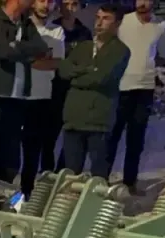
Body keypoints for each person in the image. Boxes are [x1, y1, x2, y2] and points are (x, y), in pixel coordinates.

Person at [0, 0, 49, 183]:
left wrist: (17, 46)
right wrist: (26, 53)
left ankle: (4, 187)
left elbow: (42, 48)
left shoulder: (26, 24)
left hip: (18, 96)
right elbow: (2, 51)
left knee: (10, 149)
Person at [106, 0, 165, 193]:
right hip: (121, 86)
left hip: (144, 88)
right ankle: (101, 178)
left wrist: (147, 66)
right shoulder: (124, 21)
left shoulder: (161, 26)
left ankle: (129, 181)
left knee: (136, 139)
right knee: (112, 136)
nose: (141, 3)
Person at [59, 4, 129, 178]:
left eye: (106, 18)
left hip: (99, 120)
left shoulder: (120, 50)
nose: (99, 22)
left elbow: (102, 78)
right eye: (98, 17)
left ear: (117, 23)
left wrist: (77, 76)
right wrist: (88, 69)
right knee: (69, 174)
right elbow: (64, 70)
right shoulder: (83, 46)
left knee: (98, 174)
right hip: (74, 117)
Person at [19, 0, 65, 197]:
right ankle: (22, 192)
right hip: (21, 96)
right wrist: (39, 59)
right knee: (24, 150)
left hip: (46, 96)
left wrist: (29, 60)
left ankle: (42, 193)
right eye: (41, 0)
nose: (46, 5)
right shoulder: (21, 28)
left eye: (50, 1)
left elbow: (57, 62)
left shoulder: (57, 31)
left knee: (44, 148)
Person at [51, 0, 90, 168]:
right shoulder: (52, 28)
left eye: (74, 4)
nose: (70, 8)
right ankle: (46, 170)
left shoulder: (84, 33)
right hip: (52, 89)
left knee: (72, 134)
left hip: (74, 90)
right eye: (66, 4)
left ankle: (62, 170)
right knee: (49, 135)